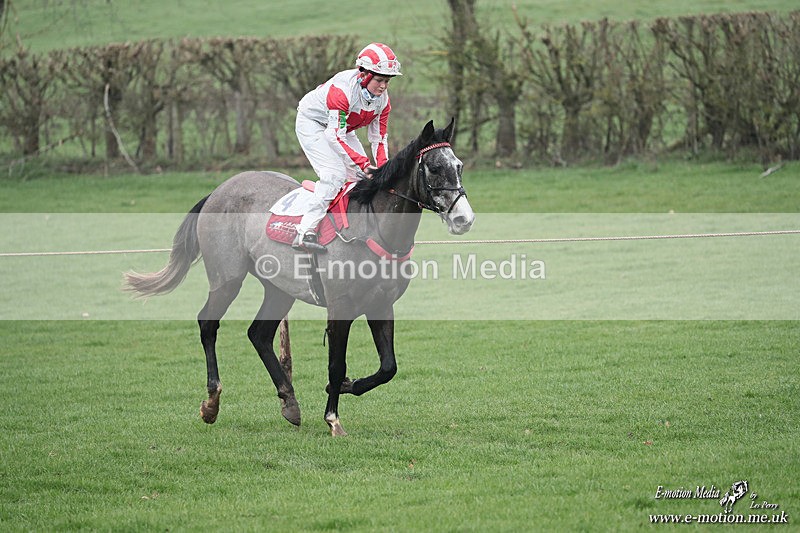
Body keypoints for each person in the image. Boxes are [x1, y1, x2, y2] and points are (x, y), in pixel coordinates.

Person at [292, 42, 402, 252]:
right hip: (313, 123)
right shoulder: (342, 91)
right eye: (379, 80)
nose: (383, 86)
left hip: (342, 129)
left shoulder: (383, 101)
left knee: (361, 178)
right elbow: (334, 136)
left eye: (387, 81)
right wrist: (364, 164)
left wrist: (384, 169)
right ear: (364, 75)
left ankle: (350, 226)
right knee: (334, 175)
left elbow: (379, 139)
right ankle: (304, 231)